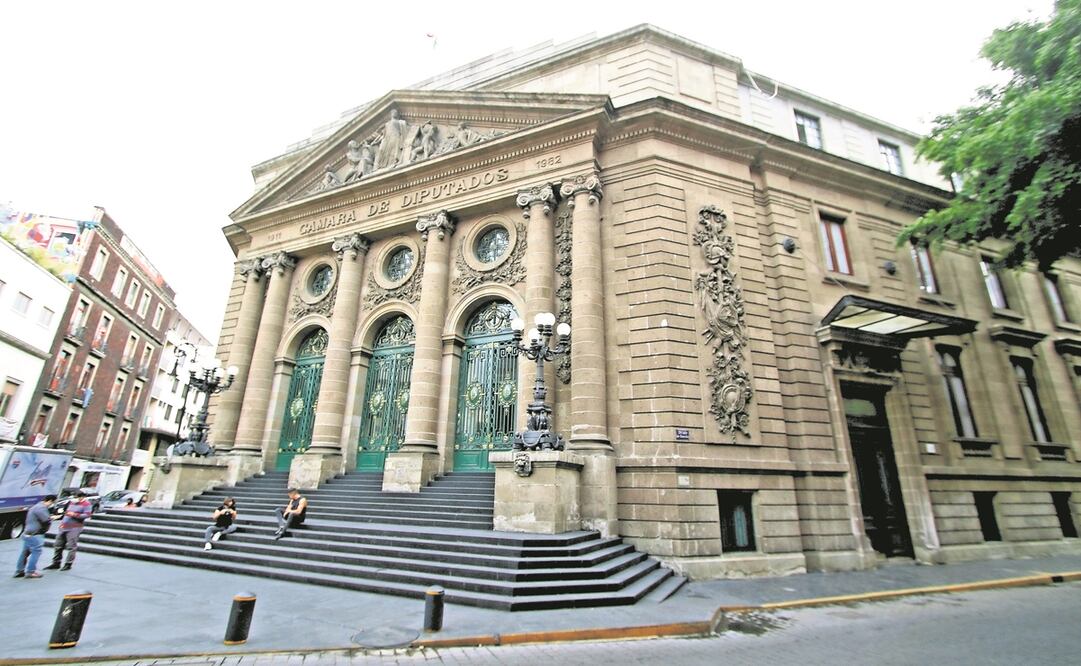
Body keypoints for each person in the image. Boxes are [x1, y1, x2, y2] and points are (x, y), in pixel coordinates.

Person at [46, 489, 93, 571]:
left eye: (76, 497)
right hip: (64, 526)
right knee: (58, 545)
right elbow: (66, 512)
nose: (74, 498)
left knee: (71, 546)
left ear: (81, 497)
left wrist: (75, 514)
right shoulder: (71, 502)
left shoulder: (87, 504)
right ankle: (56, 562)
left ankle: (68, 564)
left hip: (75, 527)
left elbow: (87, 515)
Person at [13, 494, 56, 579]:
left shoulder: (36, 506)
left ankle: (19, 571)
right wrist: (53, 518)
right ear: (50, 501)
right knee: (36, 552)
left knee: (25, 553)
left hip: (28, 533)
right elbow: (46, 520)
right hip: (35, 534)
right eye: (53, 502)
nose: (52, 504)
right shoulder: (41, 508)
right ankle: (30, 572)